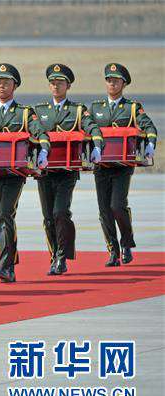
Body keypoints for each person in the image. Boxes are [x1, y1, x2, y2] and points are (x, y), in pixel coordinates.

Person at [0, 63, 50, 283]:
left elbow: (40, 132)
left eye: (6, 82)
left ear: (15, 85)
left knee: (5, 214)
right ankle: (10, 258)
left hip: (15, 175)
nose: (2, 85)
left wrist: (43, 150)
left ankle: (5, 266)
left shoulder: (24, 113)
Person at [33, 63, 104, 275]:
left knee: (60, 212)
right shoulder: (39, 111)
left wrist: (97, 146)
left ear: (68, 85)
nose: (56, 86)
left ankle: (62, 256)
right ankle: (55, 254)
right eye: (53, 82)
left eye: (60, 82)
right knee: (48, 218)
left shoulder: (78, 110)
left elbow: (92, 127)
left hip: (67, 170)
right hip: (45, 172)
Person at [88, 63, 157, 266]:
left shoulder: (132, 108)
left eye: (116, 80)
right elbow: (88, 129)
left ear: (123, 83)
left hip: (123, 166)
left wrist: (150, 143)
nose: (112, 83)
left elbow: (148, 126)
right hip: (101, 166)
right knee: (104, 211)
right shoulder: (95, 108)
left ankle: (126, 243)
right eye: (109, 80)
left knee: (117, 206)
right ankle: (113, 250)